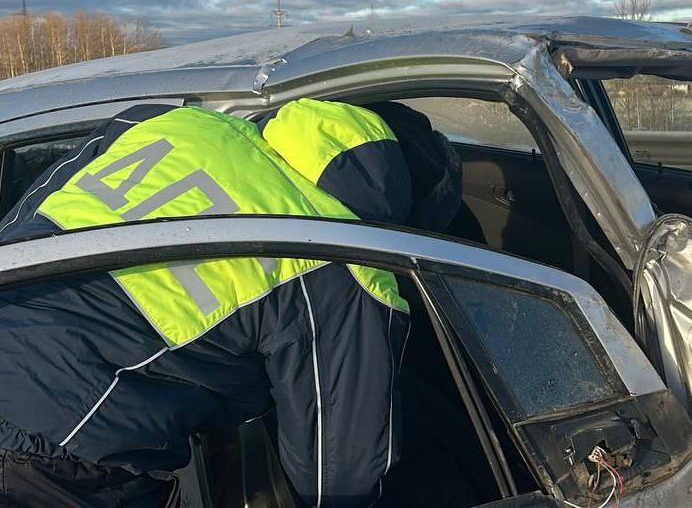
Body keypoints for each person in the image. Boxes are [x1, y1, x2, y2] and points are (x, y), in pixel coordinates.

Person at [0, 98, 423, 507]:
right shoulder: (342, 260)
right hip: (62, 450)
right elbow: (340, 468)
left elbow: (26, 220)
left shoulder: (171, 123)